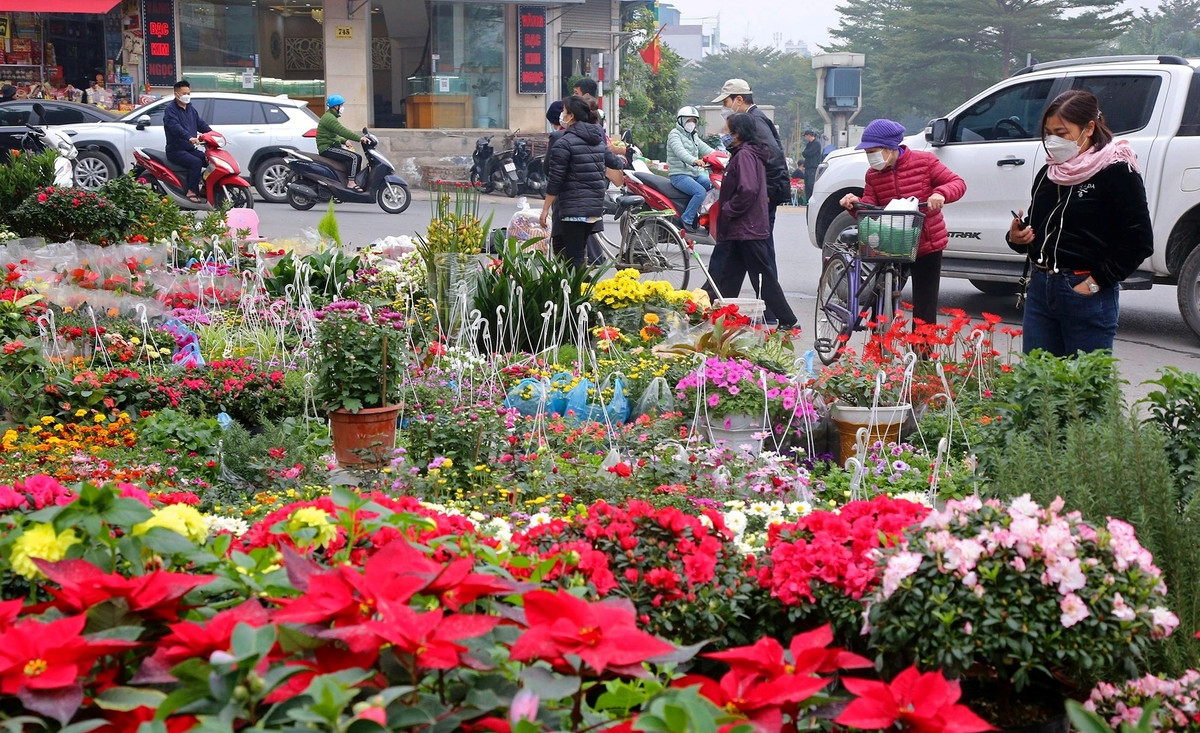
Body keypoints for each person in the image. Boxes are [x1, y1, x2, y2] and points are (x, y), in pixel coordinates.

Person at [1006, 90, 1152, 356]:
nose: (1052, 141)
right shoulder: (1050, 172)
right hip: (1041, 288)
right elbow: (1040, 227)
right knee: (1039, 385)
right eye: (1048, 132)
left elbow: (1139, 241)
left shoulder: (1117, 171)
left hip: (1084, 289)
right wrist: (1017, 237)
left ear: (1089, 128)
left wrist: (1094, 284)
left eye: (1062, 133)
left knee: (1084, 390)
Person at [839, 118, 966, 328]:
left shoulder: (925, 162)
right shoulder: (873, 174)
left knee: (925, 306)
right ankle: (878, 350)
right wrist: (855, 205)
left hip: (927, 242)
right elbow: (871, 207)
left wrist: (940, 194)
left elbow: (957, 183)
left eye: (874, 150)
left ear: (891, 148)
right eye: (867, 152)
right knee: (880, 296)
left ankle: (923, 358)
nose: (871, 157)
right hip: (892, 241)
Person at [708, 79, 791, 322]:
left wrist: (763, 196)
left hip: (753, 205)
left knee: (759, 262)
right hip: (751, 206)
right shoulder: (753, 126)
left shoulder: (753, 123)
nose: (725, 107)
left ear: (739, 99)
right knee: (737, 261)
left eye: (726, 102)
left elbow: (772, 161)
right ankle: (719, 307)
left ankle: (776, 315)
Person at [539, 95, 607, 268]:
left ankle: (578, 292)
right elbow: (612, 162)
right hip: (593, 208)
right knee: (579, 251)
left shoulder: (563, 142)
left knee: (573, 257)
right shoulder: (597, 139)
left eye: (564, 111)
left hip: (573, 207)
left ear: (571, 115)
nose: (562, 114)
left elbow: (555, 179)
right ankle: (580, 290)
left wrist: (545, 208)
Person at [666, 105, 715, 233]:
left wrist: (720, 156)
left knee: (713, 185)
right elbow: (680, 152)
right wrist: (695, 161)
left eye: (694, 121)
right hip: (679, 175)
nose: (691, 123)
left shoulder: (693, 136)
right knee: (700, 192)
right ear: (681, 121)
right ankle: (686, 219)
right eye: (688, 120)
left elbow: (706, 149)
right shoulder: (674, 134)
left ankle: (704, 216)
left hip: (694, 174)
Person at [163, 79, 212, 204]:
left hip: (189, 149)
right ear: (176, 94)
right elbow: (175, 127)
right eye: (184, 93)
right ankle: (191, 191)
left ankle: (205, 189)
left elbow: (200, 124)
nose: (187, 96)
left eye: (188, 93)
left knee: (211, 160)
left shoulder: (190, 109)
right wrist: (189, 137)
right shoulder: (170, 110)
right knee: (196, 162)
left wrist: (212, 134)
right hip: (176, 150)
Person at [317, 94, 370, 191]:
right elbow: (342, 131)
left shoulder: (330, 116)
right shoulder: (329, 118)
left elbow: (334, 135)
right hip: (327, 148)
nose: (342, 108)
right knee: (355, 157)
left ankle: (352, 182)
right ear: (335, 106)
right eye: (341, 106)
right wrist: (360, 138)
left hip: (331, 145)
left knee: (354, 157)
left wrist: (344, 140)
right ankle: (351, 183)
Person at [802, 129, 822, 203]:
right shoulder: (809, 144)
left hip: (813, 167)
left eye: (806, 136)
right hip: (807, 167)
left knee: (811, 184)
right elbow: (804, 153)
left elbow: (808, 153)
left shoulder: (816, 144)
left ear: (809, 135)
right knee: (807, 185)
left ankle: (813, 200)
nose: (806, 138)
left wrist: (805, 153)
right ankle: (808, 200)